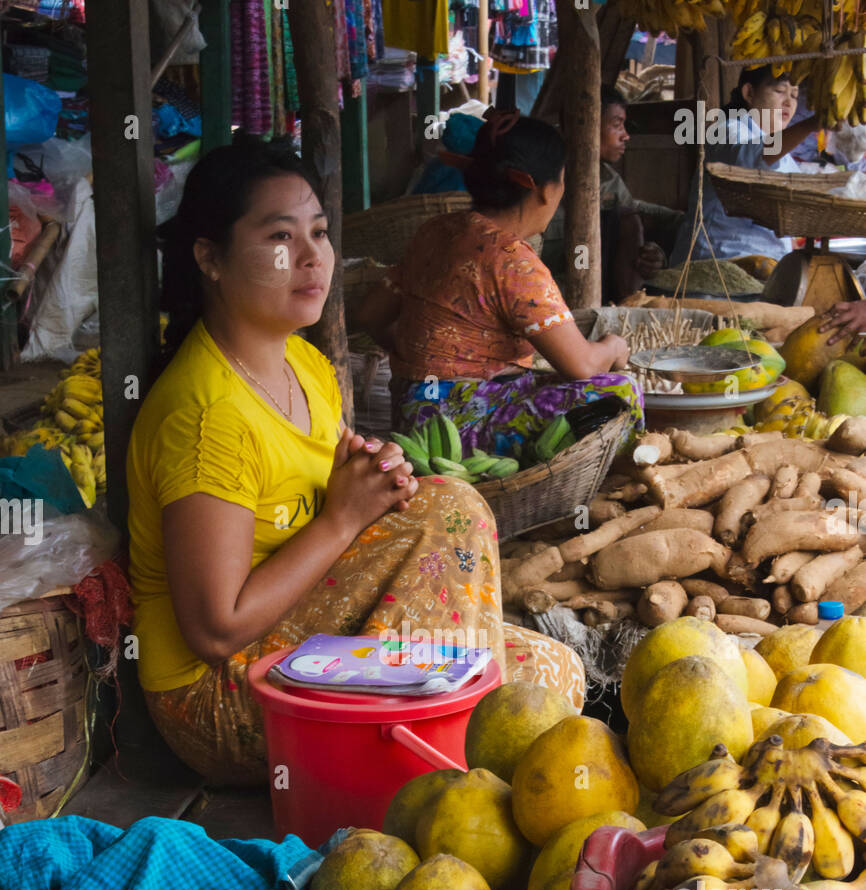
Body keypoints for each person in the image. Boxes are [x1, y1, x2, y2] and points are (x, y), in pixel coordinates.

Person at [126, 137, 586, 786]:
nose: (313, 256)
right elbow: (215, 629)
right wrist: (342, 521)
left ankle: (440, 744)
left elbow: (344, 496)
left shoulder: (305, 366)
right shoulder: (206, 417)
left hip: (300, 632)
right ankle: (431, 773)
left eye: (318, 231)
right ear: (211, 258)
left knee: (550, 675)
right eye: (281, 237)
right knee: (449, 511)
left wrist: (378, 477)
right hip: (216, 696)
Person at [357, 110, 643, 457]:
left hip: (410, 414)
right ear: (540, 189)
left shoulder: (437, 231)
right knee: (622, 391)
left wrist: (421, 365)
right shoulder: (512, 260)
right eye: (562, 181)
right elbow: (581, 365)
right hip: (457, 430)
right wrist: (613, 346)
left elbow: (370, 316)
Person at [671, 65, 827, 266]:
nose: (789, 102)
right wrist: (809, 125)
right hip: (717, 265)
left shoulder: (786, 158)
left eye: (795, 95)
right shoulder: (727, 130)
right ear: (749, 93)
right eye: (779, 91)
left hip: (769, 269)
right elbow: (753, 157)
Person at [542, 87, 683, 298]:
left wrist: (655, 255)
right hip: (547, 288)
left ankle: (628, 307)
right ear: (584, 124)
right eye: (617, 125)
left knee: (629, 220)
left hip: (591, 281)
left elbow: (632, 211)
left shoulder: (606, 179)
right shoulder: (542, 169)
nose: (625, 135)